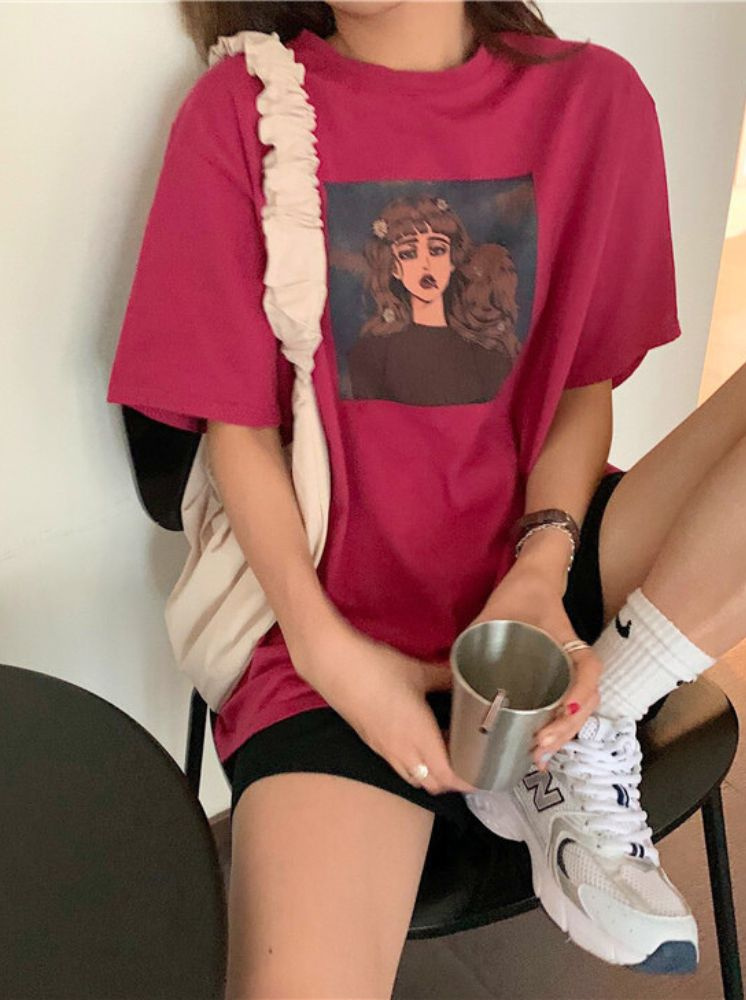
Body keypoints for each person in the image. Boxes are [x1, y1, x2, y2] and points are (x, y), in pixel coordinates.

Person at [106, 2, 746, 996]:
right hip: (331, 635)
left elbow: (580, 384)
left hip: (545, 566)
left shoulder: (592, 101)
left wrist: (540, 569)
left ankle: (589, 715)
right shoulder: (244, 112)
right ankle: (554, 728)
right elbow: (238, 432)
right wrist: (331, 657)